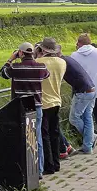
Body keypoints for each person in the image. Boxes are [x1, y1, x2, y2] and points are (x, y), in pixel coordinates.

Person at [0, 43, 50, 177]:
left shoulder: (15, 67)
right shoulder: (41, 67)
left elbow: (2, 74)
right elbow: (46, 75)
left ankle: (24, 170)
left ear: (21, 53)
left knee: (21, 138)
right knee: (37, 137)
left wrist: (10, 59)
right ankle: (39, 170)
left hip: (20, 107)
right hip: (37, 105)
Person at [71, 34, 97, 146]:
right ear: (90, 42)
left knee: (86, 115)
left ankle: (90, 136)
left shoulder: (74, 55)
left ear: (78, 43)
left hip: (84, 89)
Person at [35, 38, 67, 175]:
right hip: (56, 100)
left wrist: (36, 54)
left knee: (44, 134)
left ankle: (49, 165)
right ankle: (56, 162)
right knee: (55, 133)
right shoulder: (62, 62)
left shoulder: (39, 62)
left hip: (43, 102)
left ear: (42, 49)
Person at [58, 46, 96, 154]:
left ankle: (90, 139)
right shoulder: (68, 59)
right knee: (87, 117)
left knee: (74, 118)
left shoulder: (62, 63)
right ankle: (88, 145)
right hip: (91, 89)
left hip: (82, 92)